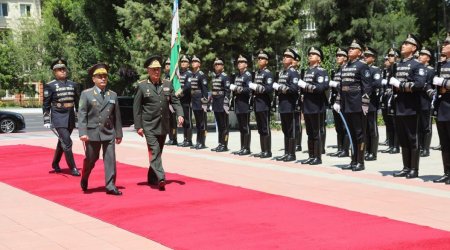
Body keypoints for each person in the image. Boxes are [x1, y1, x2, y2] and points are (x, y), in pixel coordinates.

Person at [133, 55, 184, 191]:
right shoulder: (142, 86)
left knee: (158, 152)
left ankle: (152, 176)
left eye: (159, 69)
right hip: (149, 125)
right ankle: (161, 177)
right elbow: (136, 108)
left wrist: (180, 114)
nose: (157, 72)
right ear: (148, 70)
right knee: (154, 151)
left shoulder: (167, 84)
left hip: (163, 124)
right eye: (154, 69)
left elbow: (175, 101)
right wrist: (138, 126)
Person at [78, 63, 123, 195]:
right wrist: (83, 133)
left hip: (108, 132)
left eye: (105, 76)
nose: (103, 79)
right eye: (100, 76)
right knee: (91, 159)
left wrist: (119, 133)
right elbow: (82, 114)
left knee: (110, 159)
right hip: (92, 133)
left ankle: (110, 185)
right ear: (94, 79)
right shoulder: (86, 94)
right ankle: (85, 176)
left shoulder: (112, 95)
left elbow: (117, 116)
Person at [390, 34, 426, 179]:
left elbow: (419, 84)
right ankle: (406, 167)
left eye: (407, 44)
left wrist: (401, 85)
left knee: (412, 138)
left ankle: (414, 169)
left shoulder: (418, 65)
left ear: (414, 48)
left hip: (411, 106)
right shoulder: (398, 65)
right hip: (399, 105)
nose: (403, 45)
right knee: (403, 138)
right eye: (403, 43)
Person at [333, 39, 372, 171]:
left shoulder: (362, 66)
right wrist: (338, 101)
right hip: (346, 104)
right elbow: (341, 87)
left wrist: (365, 103)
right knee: (351, 133)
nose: (350, 50)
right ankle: (353, 159)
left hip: (357, 104)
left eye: (353, 48)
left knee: (359, 133)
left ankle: (360, 161)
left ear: (359, 52)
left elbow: (367, 86)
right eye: (349, 48)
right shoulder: (345, 67)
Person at [43, 58, 81, 176]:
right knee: (67, 142)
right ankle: (73, 167)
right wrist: (46, 119)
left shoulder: (73, 84)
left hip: (69, 116)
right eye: (59, 70)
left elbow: (77, 103)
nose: (62, 71)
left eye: (64, 69)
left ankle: (55, 163)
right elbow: (46, 104)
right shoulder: (50, 86)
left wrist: (80, 118)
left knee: (62, 142)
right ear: (55, 72)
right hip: (58, 116)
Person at [297, 47, 329, 165]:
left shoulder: (321, 71)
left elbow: (321, 88)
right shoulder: (306, 71)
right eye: (309, 54)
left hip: (316, 105)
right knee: (309, 132)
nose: (310, 55)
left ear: (319, 58)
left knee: (316, 132)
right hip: (307, 105)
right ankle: (311, 156)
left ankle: (317, 157)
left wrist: (306, 86)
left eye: (314, 54)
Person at [273, 48, 300, 162]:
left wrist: (280, 88)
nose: (284, 58)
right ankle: (286, 152)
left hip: (290, 104)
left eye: (287, 56)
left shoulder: (293, 72)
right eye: (284, 56)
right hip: (283, 104)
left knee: (291, 129)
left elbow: (294, 89)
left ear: (292, 60)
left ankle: (292, 154)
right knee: (285, 129)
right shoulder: (282, 72)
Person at [432, 34, 450, 183]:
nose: (444, 45)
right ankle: (447, 171)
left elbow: (442, 84)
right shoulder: (441, 65)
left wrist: (444, 82)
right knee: (444, 142)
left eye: (447, 43)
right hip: (442, 106)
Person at [249, 50, 274, 158]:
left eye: (262, 58)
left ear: (266, 61)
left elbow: (269, 88)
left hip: (264, 103)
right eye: (258, 58)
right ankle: (263, 149)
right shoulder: (257, 73)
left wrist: (257, 87)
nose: (259, 60)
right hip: (257, 102)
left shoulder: (268, 73)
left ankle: (267, 151)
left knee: (265, 127)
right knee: (260, 128)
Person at [328, 48, 349, 158]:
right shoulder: (337, 70)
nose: (337, 57)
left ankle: (345, 150)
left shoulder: (347, 70)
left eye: (340, 55)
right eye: (337, 55)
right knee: (338, 127)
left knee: (345, 126)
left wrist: (335, 85)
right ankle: (340, 148)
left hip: (344, 101)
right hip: (336, 101)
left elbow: (347, 86)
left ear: (345, 57)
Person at [230, 55, 253, 156]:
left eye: (241, 62)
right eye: (238, 62)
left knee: (245, 126)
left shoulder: (247, 75)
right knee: (241, 127)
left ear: (246, 64)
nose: (239, 63)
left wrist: (238, 89)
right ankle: (242, 147)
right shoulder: (237, 75)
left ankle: (247, 148)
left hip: (245, 103)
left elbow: (249, 89)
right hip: (238, 102)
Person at [363, 47, 382, 161]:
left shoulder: (375, 70)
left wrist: (365, 87)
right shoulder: (361, 69)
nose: (365, 57)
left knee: (372, 128)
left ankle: (373, 152)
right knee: (364, 128)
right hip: (361, 102)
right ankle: (365, 150)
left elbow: (377, 83)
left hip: (371, 102)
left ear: (373, 58)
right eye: (364, 55)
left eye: (368, 56)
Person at [380, 48, 401, 154]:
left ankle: (396, 146)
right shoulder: (390, 69)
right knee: (389, 122)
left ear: (397, 56)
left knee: (395, 123)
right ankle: (391, 144)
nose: (389, 58)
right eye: (389, 55)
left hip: (397, 97)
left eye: (391, 55)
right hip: (388, 97)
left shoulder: (399, 68)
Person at [211, 57, 231, 152]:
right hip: (216, 103)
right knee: (219, 125)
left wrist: (226, 103)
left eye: (219, 64)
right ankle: (220, 143)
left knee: (224, 126)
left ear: (222, 66)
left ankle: (224, 144)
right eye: (215, 64)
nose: (217, 66)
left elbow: (227, 91)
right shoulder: (214, 76)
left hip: (222, 103)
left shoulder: (225, 76)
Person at [417, 48, 435, 157]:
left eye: (423, 55)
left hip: (426, 101)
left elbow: (430, 85)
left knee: (426, 126)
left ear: (428, 58)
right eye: (420, 54)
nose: (420, 56)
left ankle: (426, 148)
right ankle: (419, 147)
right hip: (416, 101)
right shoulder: (417, 68)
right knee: (418, 126)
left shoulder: (430, 70)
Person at [189, 55, 209, 150]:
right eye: (192, 62)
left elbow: (205, 89)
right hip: (195, 100)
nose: (193, 63)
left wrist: (205, 101)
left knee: (202, 123)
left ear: (199, 64)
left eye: (195, 61)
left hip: (200, 101)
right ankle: (198, 142)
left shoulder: (201, 74)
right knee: (197, 123)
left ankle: (202, 142)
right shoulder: (193, 74)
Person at [177, 55, 194, 147]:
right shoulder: (179, 74)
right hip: (180, 100)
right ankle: (185, 139)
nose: (183, 63)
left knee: (188, 120)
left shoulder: (189, 74)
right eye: (182, 61)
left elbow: (188, 86)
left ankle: (189, 140)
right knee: (183, 120)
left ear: (188, 64)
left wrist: (181, 91)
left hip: (187, 99)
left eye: (185, 62)